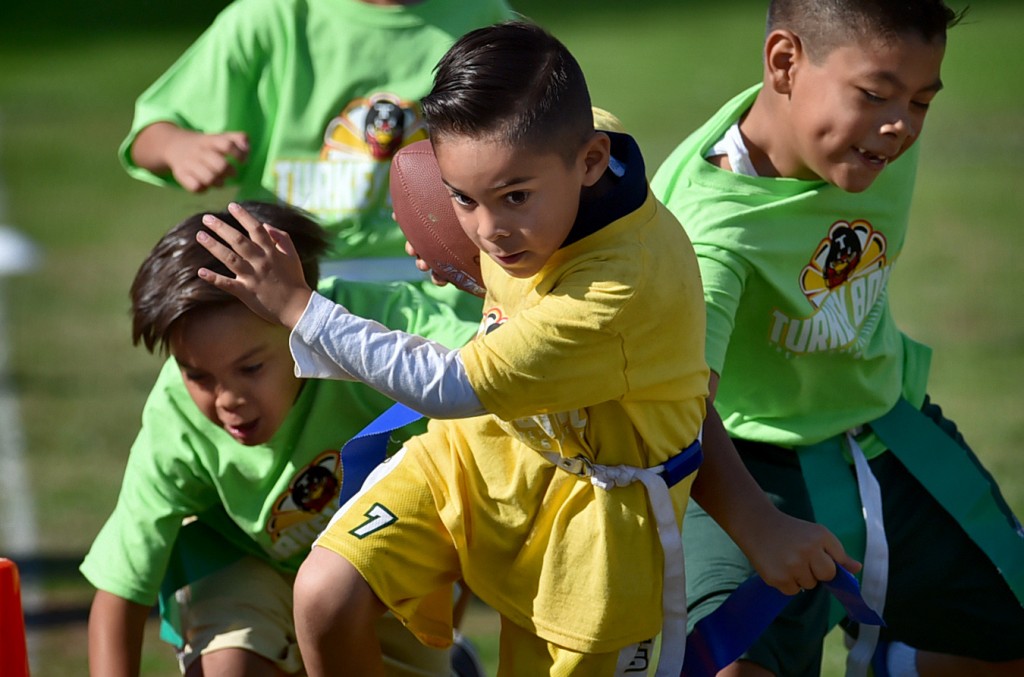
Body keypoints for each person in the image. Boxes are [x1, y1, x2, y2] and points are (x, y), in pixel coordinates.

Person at [195, 21, 861, 676]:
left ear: (591, 160)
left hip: (596, 531)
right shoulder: (546, 138)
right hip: (482, 455)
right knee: (325, 593)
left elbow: (447, 384)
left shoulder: (616, 291)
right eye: (463, 198)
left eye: (513, 198)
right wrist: (446, 219)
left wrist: (295, 306)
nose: (488, 230)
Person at [651, 1, 1024, 676]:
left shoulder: (865, 142)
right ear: (785, 63)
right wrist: (758, 526)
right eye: (878, 95)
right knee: (728, 667)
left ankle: (898, 663)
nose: (900, 127)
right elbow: (673, 409)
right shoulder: (708, 235)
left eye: (921, 102)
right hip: (745, 462)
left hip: (887, 435)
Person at [79, 201, 480, 677]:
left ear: (298, 314)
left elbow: (502, 370)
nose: (227, 399)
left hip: (378, 564)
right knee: (231, 668)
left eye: (250, 368)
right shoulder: (176, 418)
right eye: (198, 375)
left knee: (348, 604)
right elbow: (121, 588)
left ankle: (450, 655)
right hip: (245, 562)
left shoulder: (377, 323)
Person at [120, 0, 513, 287]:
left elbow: (544, 135)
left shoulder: (483, 18)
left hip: (438, 281)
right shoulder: (268, 17)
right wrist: (178, 146)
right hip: (288, 280)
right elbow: (148, 137)